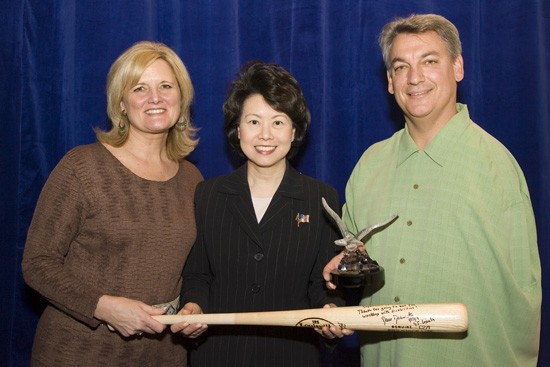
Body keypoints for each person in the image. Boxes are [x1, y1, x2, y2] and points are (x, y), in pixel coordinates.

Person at [323, 13, 541, 366]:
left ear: (458, 67)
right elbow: (351, 269)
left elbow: (524, 299)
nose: (415, 78)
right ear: (390, 82)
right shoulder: (369, 166)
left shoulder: (497, 166)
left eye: (429, 61)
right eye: (400, 67)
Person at [22, 41, 203, 366]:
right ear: (121, 102)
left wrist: (195, 305)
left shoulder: (192, 179)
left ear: (181, 96)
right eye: (139, 88)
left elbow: (194, 269)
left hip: (164, 356)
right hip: (79, 353)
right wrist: (102, 306)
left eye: (165, 86)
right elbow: (37, 263)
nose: (155, 98)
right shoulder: (81, 167)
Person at [170, 61, 351, 367]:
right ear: (236, 129)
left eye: (278, 122)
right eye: (253, 122)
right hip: (218, 354)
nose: (265, 135)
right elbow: (198, 274)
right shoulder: (208, 195)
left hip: (292, 355)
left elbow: (322, 284)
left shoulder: (321, 198)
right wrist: (193, 305)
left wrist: (330, 311)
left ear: (294, 131)